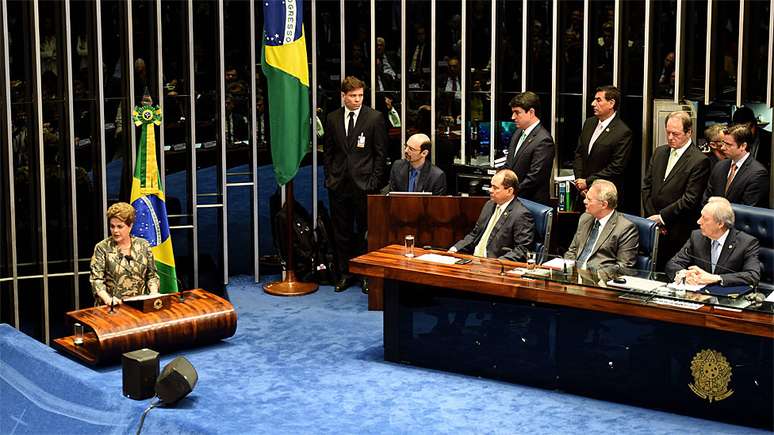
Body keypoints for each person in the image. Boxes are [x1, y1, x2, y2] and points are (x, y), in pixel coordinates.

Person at [324, 76, 388, 293]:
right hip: (339, 184)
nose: (357, 99)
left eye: (360, 95)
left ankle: (365, 274)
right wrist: (330, 178)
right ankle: (345, 273)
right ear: (343, 96)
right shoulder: (332, 118)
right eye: (353, 96)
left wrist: (373, 182)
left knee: (365, 231)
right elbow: (329, 152)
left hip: (365, 185)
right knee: (341, 230)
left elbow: (380, 155)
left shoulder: (375, 118)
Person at [642, 111, 710, 269]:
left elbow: (690, 199)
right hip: (653, 226)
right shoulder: (659, 152)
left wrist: (662, 217)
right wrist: (653, 216)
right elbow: (646, 186)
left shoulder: (699, 160)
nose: (671, 137)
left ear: (689, 133)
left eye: (676, 134)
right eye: (668, 132)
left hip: (677, 230)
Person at [665, 197, 761, 288]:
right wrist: (685, 275)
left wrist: (717, 278)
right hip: (698, 295)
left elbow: (752, 275)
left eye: (704, 218)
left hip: (728, 298)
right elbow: (673, 264)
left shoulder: (747, 243)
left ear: (720, 223)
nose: (699, 221)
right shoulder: (697, 237)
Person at [449, 169, 535, 262]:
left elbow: (522, 250)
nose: (490, 190)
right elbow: (475, 235)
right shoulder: (489, 205)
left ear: (509, 191)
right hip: (474, 261)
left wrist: (497, 263)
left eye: (495, 188)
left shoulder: (521, 215)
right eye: (491, 186)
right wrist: (455, 249)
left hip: (495, 265)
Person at [89, 202, 160, 306]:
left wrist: (153, 292)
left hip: (139, 307)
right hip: (112, 307)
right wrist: (108, 299)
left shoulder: (143, 245)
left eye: (120, 227)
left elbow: (152, 275)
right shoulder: (102, 248)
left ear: (130, 226)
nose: (115, 231)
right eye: (112, 226)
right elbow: (96, 280)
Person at [564, 180, 638, 274]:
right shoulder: (585, 218)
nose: (584, 201)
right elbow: (572, 251)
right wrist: (569, 271)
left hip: (600, 282)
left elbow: (624, 267)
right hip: (575, 278)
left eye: (589, 199)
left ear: (604, 204)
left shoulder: (625, 228)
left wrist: (592, 275)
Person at [574, 85, 632, 199]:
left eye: (598, 100)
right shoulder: (589, 123)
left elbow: (616, 167)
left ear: (611, 103)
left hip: (604, 196)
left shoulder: (622, 132)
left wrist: (588, 182)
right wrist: (580, 182)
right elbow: (579, 153)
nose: (593, 104)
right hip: (582, 192)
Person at [503, 91, 555, 205]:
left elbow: (535, 177)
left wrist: (510, 193)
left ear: (531, 112)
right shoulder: (518, 133)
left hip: (531, 202)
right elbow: (509, 164)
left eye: (517, 113)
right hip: (513, 199)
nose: (513, 117)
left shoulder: (544, 140)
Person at [702, 124, 769, 207]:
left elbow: (748, 209)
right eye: (723, 143)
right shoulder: (719, 166)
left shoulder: (757, 174)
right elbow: (707, 198)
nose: (723, 148)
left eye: (728, 144)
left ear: (743, 146)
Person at [732, 106, 771, 172]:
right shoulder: (733, 140)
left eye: (750, 127)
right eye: (743, 129)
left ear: (755, 124)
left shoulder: (770, 139)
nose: (747, 132)